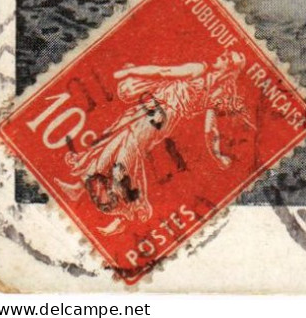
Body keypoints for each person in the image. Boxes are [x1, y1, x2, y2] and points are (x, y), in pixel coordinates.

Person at [56, 52, 251, 234]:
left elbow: (209, 127)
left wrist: (217, 155)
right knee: (113, 141)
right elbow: (164, 74)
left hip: (161, 115)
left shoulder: (207, 80)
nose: (220, 56)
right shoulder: (206, 78)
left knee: (126, 155)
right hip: (151, 105)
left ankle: (128, 213)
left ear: (229, 68)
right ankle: (80, 187)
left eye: (226, 57)